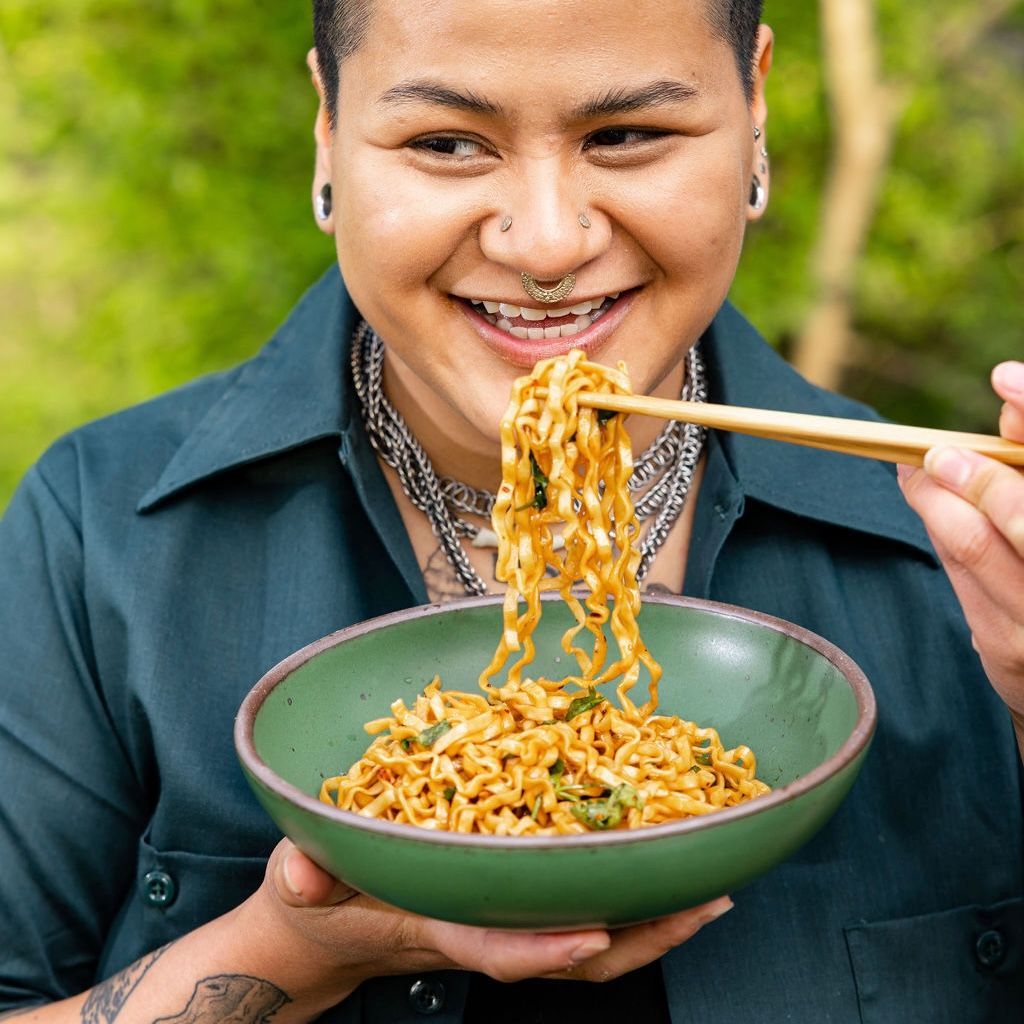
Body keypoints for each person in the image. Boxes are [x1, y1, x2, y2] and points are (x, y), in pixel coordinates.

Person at [1, 1, 1021, 1021]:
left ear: (753, 107)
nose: (543, 245)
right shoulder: (100, 530)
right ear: (328, 125)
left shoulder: (953, 546)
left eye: (626, 137)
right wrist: (292, 948)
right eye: (445, 142)